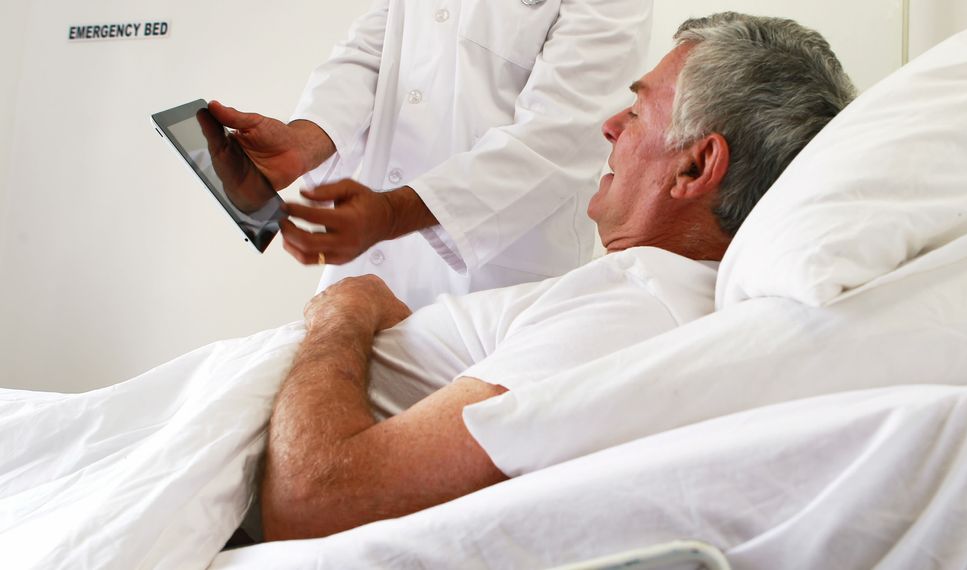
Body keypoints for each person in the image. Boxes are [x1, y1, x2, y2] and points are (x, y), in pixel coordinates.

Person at [259, 12, 857, 541]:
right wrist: (306, 139)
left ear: (696, 165)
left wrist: (343, 315)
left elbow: (315, 500)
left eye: (638, 109)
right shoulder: (640, 294)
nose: (609, 126)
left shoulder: (630, 313)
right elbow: (377, 45)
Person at [210, 0, 653, 309]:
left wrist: (391, 215)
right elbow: (372, 51)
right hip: (369, 266)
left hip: (494, 285)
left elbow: (561, 133)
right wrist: (304, 140)